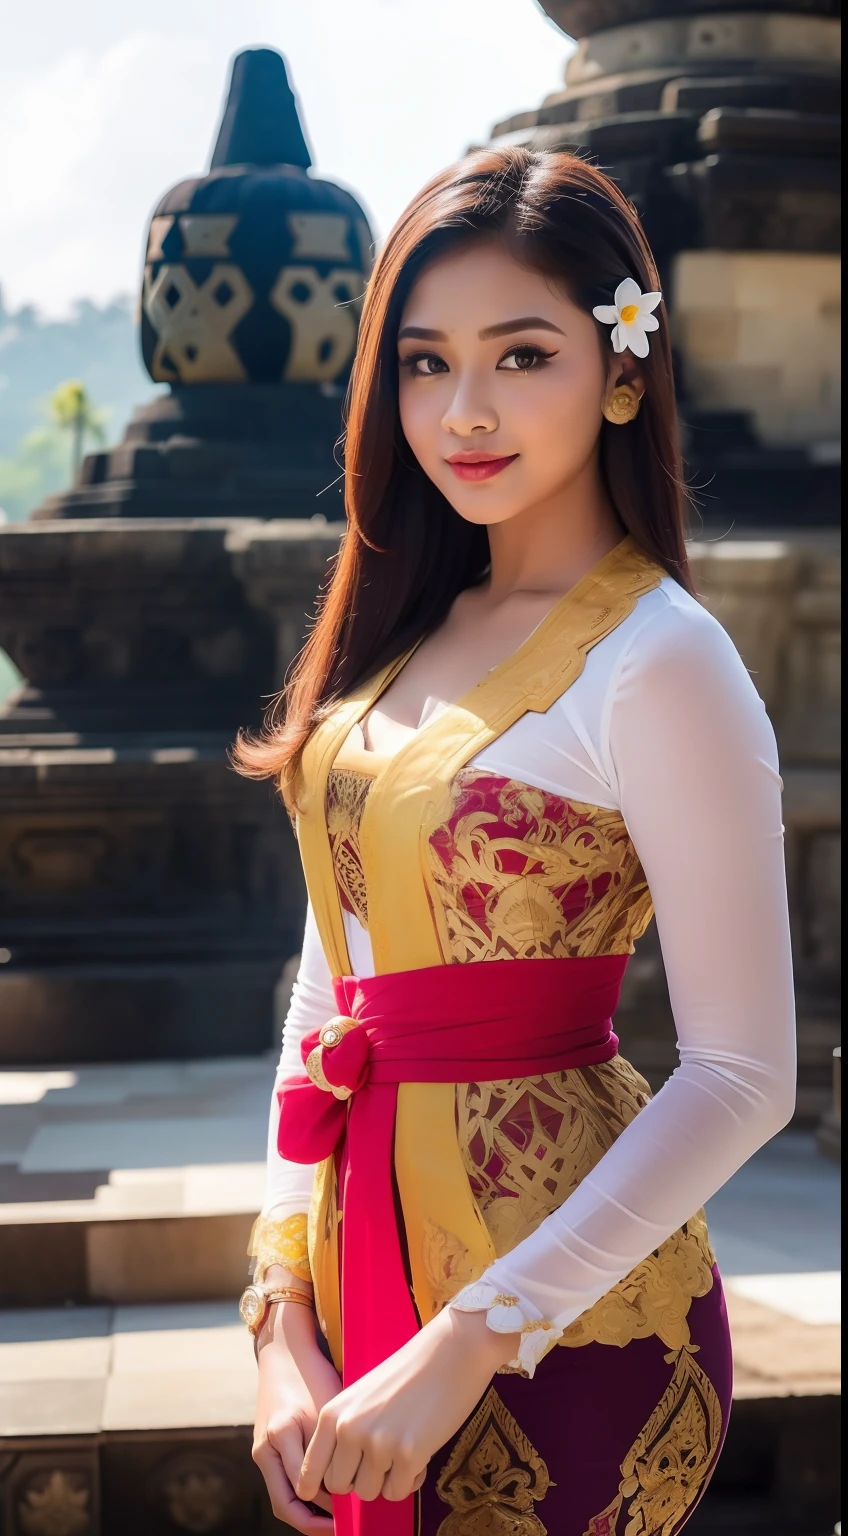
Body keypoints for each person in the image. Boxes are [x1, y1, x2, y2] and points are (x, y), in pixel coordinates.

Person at [234, 147, 796, 1536]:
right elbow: (327, 1002)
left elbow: (742, 1074)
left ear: (620, 370)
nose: (464, 412)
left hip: (568, 1325)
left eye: (521, 355)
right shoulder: (401, 632)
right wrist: (276, 1314)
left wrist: (469, 1339)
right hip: (360, 1268)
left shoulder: (661, 659)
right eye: (425, 365)